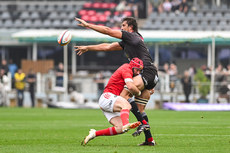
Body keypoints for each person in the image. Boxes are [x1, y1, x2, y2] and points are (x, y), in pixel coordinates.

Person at [75, 17, 158, 146]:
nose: (121, 27)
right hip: (150, 74)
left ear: (131, 28)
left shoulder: (131, 36)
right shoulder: (130, 42)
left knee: (124, 95)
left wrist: (88, 25)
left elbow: (108, 31)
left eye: (123, 25)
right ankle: (149, 139)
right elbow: (107, 47)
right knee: (140, 110)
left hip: (146, 72)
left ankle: (137, 124)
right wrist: (88, 48)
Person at [81, 58, 143, 146]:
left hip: (108, 101)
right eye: (137, 70)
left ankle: (94, 134)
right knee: (127, 106)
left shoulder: (129, 70)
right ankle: (126, 124)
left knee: (120, 129)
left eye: (140, 71)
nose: (138, 73)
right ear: (132, 67)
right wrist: (139, 92)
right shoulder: (126, 69)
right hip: (107, 97)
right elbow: (130, 86)